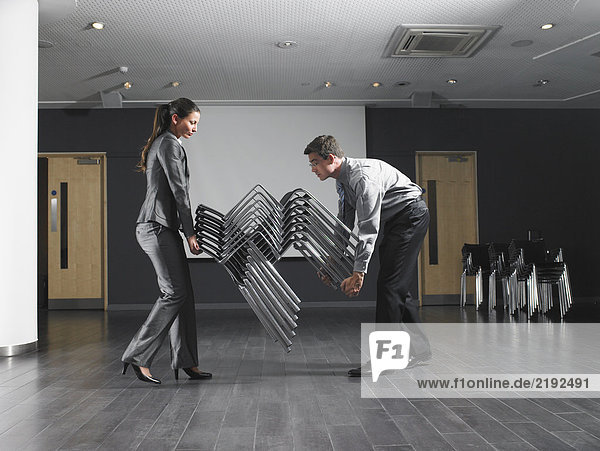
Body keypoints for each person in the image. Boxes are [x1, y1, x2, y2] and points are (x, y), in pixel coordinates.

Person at [304, 135, 431, 377]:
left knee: (389, 287)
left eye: (315, 163)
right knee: (396, 287)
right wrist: (332, 263)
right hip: (397, 222)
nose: (312, 169)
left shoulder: (362, 177)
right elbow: (344, 225)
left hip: (410, 217)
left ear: (330, 158)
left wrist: (358, 272)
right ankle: (421, 351)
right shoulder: (342, 182)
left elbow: (368, 228)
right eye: (310, 164)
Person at [121, 98, 212, 384]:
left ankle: (186, 361)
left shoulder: (165, 142)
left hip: (163, 227)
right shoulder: (169, 144)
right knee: (174, 293)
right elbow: (179, 190)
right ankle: (137, 355)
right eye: (192, 122)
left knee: (183, 295)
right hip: (156, 227)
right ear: (175, 118)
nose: (195, 128)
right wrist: (191, 231)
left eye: (197, 123)